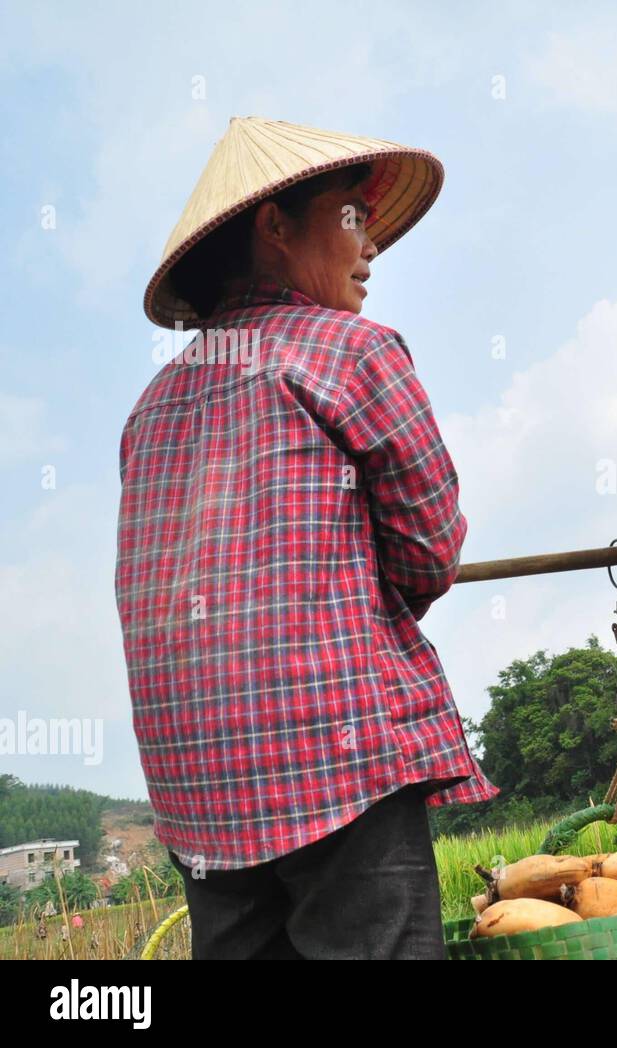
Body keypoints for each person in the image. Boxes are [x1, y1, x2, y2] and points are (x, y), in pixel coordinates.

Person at [116, 117, 496, 959]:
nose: (371, 250)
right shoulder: (351, 352)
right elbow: (429, 554)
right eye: (352, 218)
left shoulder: (148, 412)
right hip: (331, 756)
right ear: (276, 228)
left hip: (198, 788)